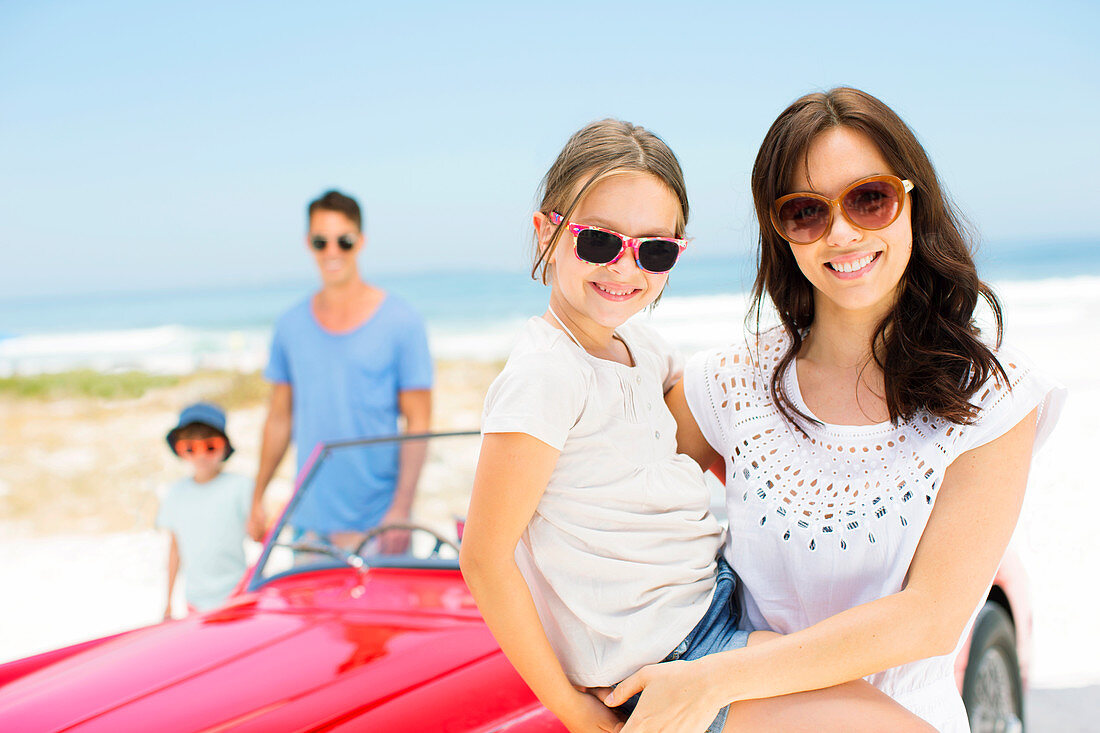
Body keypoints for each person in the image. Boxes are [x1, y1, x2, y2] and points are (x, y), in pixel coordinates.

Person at [604, 88, 1067, 732]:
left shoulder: (992, 394)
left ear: (914, 201)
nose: (843, 232)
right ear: (780, 230)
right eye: (805, 212)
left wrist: (710, 677)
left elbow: (928, 620)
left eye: (869, 198)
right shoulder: (729, 384)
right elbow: (613, 510)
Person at [460, 119, 932, 733]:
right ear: (547, 231)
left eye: (654, 250)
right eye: (600, 242)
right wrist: (572, 710)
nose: (625, 269)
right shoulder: (543, 378)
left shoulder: (641, 348)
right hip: (667, 660)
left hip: (713, 607)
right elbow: (485, 558)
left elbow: (724, 430)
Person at [248, 190, 433, 552]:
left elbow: (419, 423)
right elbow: (279, 418)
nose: (332, 251)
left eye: (343, 241)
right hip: (308, 528)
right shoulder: (289, 325)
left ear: (360, 242)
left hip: (380, 528)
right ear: (309, 244)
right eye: (321, 241)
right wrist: (258, 495)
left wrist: (400, 509)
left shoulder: (403, 322)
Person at [158, 402, 252, 617]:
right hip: (195, 602)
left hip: (237, 595)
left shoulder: (241, 486)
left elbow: (260, 535)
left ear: (224, 448)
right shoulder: (175, 493)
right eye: (190, 447)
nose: (200, 455)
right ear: (180, 450)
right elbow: (174, 548)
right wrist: (168, 601)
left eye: (210, 446)